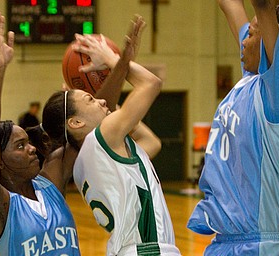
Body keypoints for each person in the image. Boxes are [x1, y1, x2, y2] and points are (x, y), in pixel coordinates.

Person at [38, 15, 181, 255]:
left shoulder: (89, 158)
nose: (102, 100)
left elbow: (151, 143)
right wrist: (113, 61)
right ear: (75, 122)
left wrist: (123, 66)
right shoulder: (101, 138)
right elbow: (151, 84)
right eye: (90, 99)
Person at [0, 11, 81, 255]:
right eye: (20, 146)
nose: (32, 148)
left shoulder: (49, 185)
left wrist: (120, 64)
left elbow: (88, 129)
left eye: (27, 143)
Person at [187, 0, 279, 255]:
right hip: (224, 242)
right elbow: (229, 4)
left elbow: (263, 5)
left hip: (263, 244)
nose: (243, 40)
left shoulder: (277, 90)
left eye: (251, 34)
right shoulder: (249, 79)